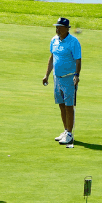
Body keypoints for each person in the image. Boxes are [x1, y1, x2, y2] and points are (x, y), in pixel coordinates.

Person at [42, 17, 81, 146]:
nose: (57, 29)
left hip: (69, 78)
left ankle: (69, 134)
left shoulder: (74, 42)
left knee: (69, 106)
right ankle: (65, 130)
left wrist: (77, 75)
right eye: (56, 27)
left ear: (66, 29)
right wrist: (46, 75)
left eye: (59, 27)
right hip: (56, 78)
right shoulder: (54, 40)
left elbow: (78, 60)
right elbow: (52, 57)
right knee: (61, 105)